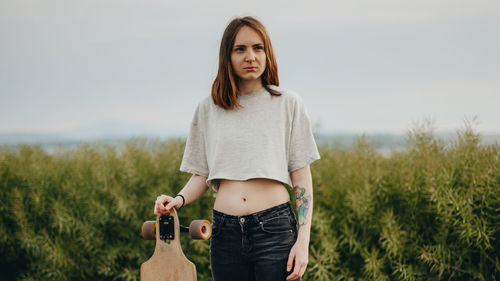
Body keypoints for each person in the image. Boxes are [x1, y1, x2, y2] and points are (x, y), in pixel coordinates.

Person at [154, 16, 320, 281]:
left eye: (258, 48)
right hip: (225, 235)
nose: (250, 56)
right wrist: (178, 200)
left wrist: (303, 241)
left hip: (275, 232)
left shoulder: (288, 104)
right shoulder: (208, 109)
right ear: (227, 56)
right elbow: (202, 175)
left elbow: (301, 177)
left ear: (267, 52)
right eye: (240, 49)